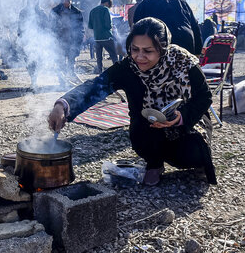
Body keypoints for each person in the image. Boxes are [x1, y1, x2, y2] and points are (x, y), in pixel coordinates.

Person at [48, 17, 216, 186]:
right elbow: (96, 86)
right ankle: (154, 163)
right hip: (148, 127)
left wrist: (181, 117)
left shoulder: (183, 62)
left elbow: (204, 96)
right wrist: (63, 105)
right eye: (134, 49)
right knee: (140, 136)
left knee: (192, 153)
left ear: (162, 49)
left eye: (148, 51)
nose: (139, 57)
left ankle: (192, 158)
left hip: (186, 123)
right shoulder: (128, 67)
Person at [133, 0, 203, 55]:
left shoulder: (145, 3)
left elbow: (135, 29)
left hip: (157, 47)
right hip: (184, 47)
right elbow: (196, 30)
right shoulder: (182, 3)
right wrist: (197, 54)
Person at [18, 0, 51, 87]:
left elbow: (46, 26)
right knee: (29, 61)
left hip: (38, 40)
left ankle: (34, 80)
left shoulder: (41, 12)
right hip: (27, 40)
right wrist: (20, 36)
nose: (34, 0)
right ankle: (33, 79)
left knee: (37, 61)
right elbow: (20, 26)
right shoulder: (23, 12)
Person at [51, 0, 84, 82]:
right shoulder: (55, 11)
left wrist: (79, 40)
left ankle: (70, 78)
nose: (69, 0)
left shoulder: (77, 12)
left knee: (71, 61)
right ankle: (62, 81)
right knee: (60, 62)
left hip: (72, 41)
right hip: (59, 41)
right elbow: (51, 27)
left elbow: (81, 28)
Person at [88, 0, 118, 74]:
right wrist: (112, 27)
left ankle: (100, 73)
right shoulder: (105, 10)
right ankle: (118, 73)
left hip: (97, 38)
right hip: (106, 37)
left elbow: (90, 26)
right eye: (109, 5)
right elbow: (108, 25)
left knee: (99, 58)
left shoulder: (92, 11)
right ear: (107, 3)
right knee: (114, 55)